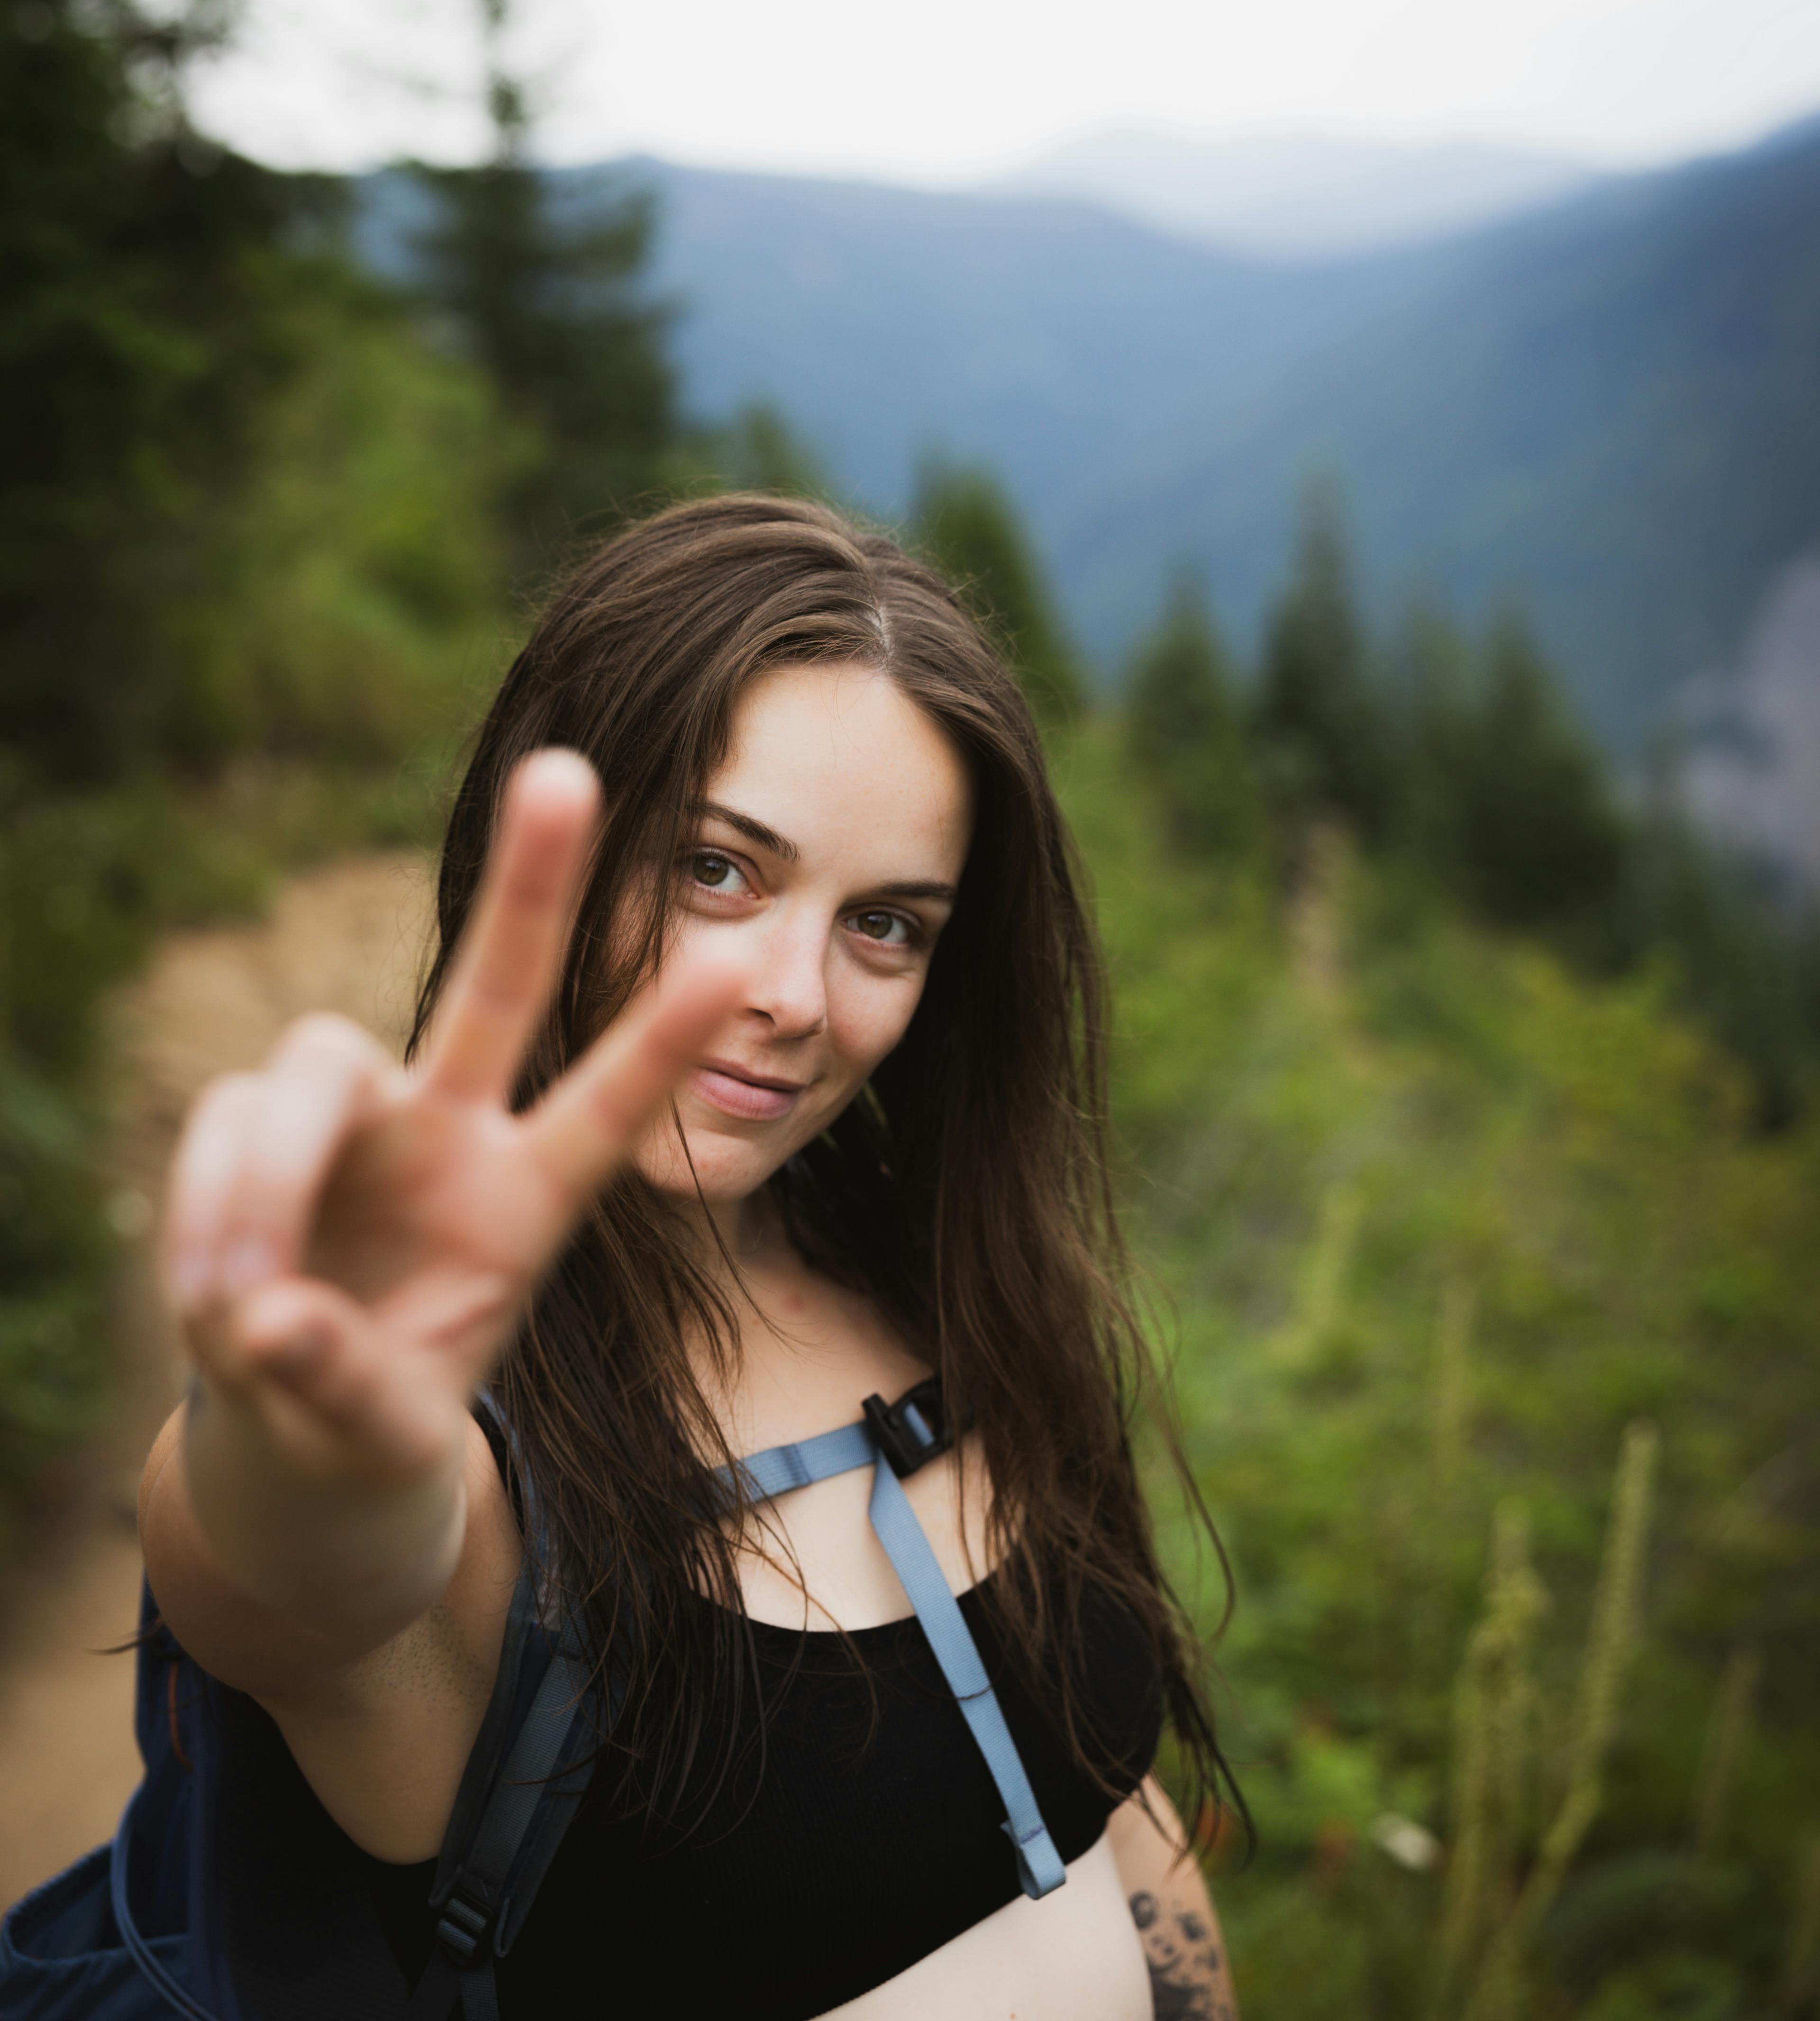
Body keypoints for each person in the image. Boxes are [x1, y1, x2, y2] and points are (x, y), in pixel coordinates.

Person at [138, 494, 1241, 2020]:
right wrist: (299, 1434)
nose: (792, 993)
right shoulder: (469, 1464)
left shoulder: (960, 1296)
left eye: (887, 925)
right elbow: (286, 1573)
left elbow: (1093, 1787)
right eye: (718, 869)